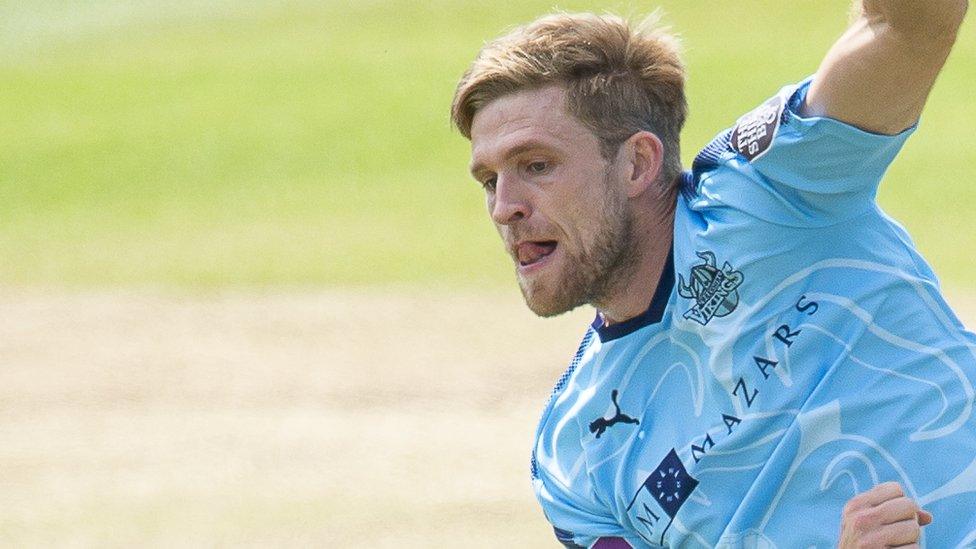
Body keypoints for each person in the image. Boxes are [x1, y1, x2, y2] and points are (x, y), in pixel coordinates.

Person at [451, 2, 973, 547]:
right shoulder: (575, 462)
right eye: (489, 180)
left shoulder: (774, 190)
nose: (503, 207)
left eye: (536, 165)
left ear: (637, 164)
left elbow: (906, 27)